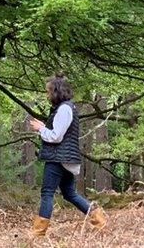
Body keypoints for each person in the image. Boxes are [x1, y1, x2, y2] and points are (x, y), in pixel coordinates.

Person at [27, 74, 107, 237]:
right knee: (70, 193)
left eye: (48, 91)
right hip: (65, 158)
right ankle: (99, 220)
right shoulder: (66, 108)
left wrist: (41, 129)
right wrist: (43, 126)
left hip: (58, 158)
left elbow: (56, 136)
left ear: (56, 91)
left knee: (47, 193)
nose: (47, 95)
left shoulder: (64, 109)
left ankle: (38, 232)